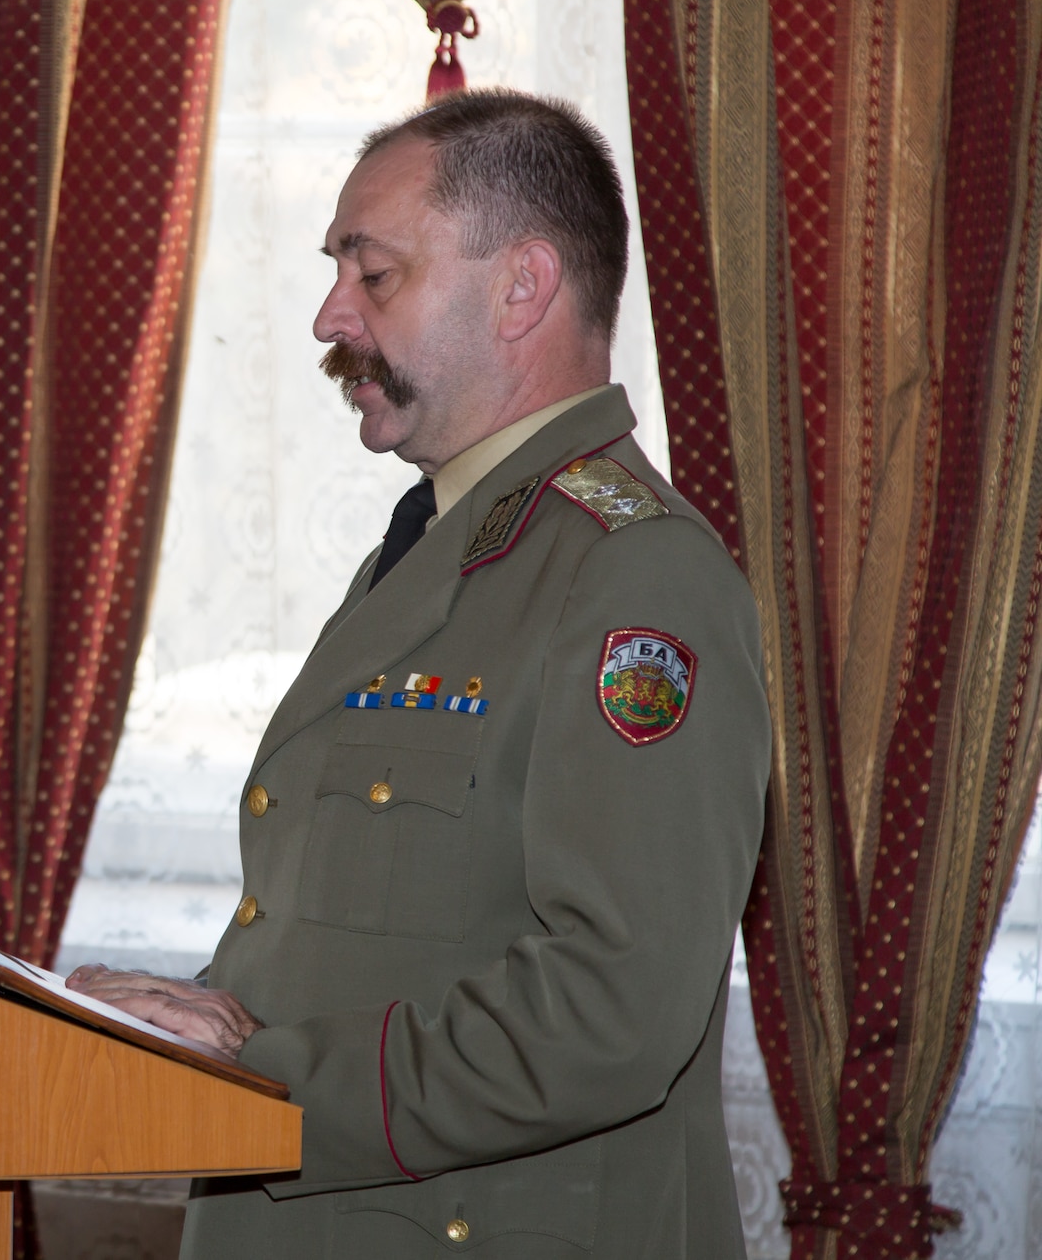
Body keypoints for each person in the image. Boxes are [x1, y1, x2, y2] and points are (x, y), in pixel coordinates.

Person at [66, 89, 770, 1259]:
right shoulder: (443, 545)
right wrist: (173, 1025)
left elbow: (610, 1008)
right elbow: (369, 931)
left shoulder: (634, 575)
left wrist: (254, 1081)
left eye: (372, 273)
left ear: (520, 288)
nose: (328, 315)